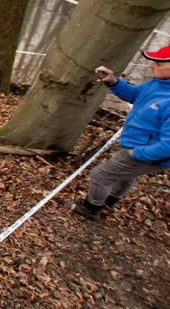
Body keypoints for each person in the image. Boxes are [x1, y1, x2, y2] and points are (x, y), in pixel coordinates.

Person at [73, 45, 170, 220]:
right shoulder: (156, 83)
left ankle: (90, 208)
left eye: (158, 63)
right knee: (125, 175)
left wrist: (137, 153)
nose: (151, 65)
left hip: (149, 152)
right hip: (138, 145)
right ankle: (108, 202)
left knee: (100, 175)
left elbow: (168, 146)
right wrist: (113, 81)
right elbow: (135, 95)